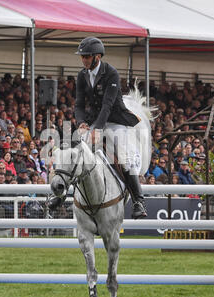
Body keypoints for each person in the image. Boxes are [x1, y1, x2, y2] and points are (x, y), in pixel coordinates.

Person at [50, 36, 147, 219]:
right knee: (76, 152)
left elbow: (107, 105)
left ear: (97, 56)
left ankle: (138, 201)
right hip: (94, 121)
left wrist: (97, 129)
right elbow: (79, 104)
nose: (84, 60)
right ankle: (60, 197)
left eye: (87, 56)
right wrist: (82, 124)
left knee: (123, 157)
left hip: (116, 121)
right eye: (82, 57)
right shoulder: (82, 75)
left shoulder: (111, 73)